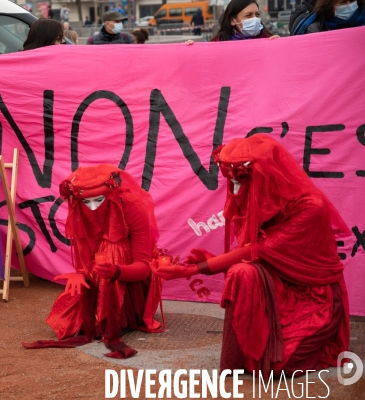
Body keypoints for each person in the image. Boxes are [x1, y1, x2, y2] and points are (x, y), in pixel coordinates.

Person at [151, 135, 350, 376]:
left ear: (268, 177)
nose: (235, 192)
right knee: (240, 272)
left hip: (312, 296)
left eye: (241, 182)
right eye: (231, 183)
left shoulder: (310, 207)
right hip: (275, 286)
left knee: (279, 363)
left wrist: (195, 269)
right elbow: (253, 257)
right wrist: (213, 261)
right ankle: (240, 357)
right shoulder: (255, 200)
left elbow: (258, 250)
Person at [23, 165, 164, 359]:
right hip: (101, 275)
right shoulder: (79, 212)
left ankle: (120, 318)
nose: (92, 208)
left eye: (99, 200)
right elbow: (86, 261)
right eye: (85, 202)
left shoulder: (133, 208)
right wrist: (81, 274)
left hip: (133, 283)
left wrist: (115, 271)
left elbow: (143, 268)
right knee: (70, 320)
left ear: (112, 195)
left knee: (112, 248)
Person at [211, 0, 278, 41]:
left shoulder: (268, 40)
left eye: (257, 15)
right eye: (248, 15)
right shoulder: (218, 44)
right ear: (232, 20)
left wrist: (278, 44)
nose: (255, 19)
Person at [291, 0, 365, 34]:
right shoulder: (315, 30)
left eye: (352, 1)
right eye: (343, 2)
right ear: (329, 7)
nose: (349, 5)